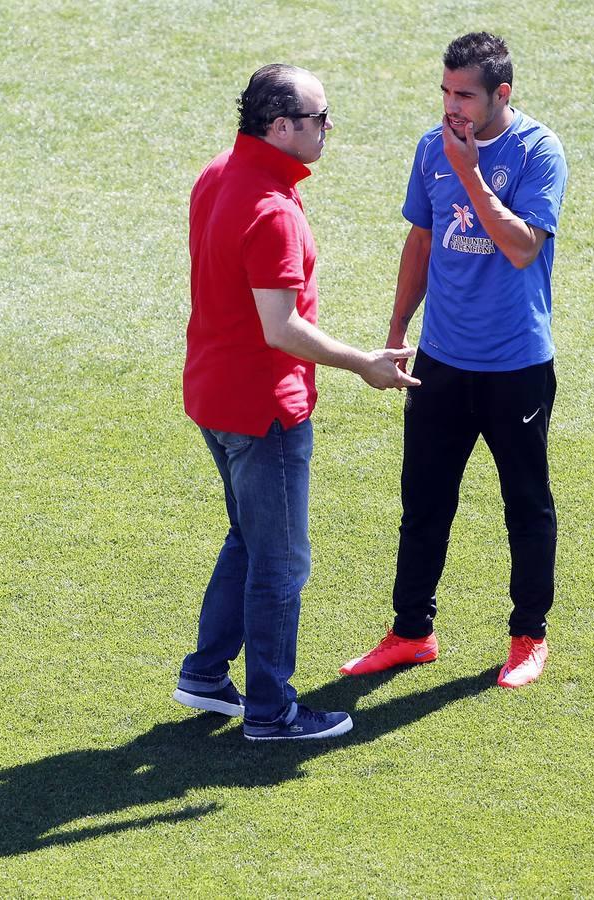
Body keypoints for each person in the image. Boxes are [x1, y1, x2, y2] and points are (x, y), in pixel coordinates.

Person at [176, 64, 420, 740]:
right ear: (279, 126)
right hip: (264, 410)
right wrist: (362, 364)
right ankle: (271, 711)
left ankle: (203, 675)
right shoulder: (272, 210)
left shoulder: (217, 173)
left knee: (248, 540)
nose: (328, 128)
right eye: (318, 118)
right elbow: (279, 327)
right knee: (281, 563)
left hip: (212, 394)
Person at [340, 32, 569, 689]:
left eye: (463, 94)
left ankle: (528, 638)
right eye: (444, 91)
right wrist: (394, 329)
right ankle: (410, 633)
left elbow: (522, 247)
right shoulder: (428, 149)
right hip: (440, 362)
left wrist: (468, 171)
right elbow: (421, 241)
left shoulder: (536, 152)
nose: (451, 106)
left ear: (501, 93)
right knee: (423, 504)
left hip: (515, 366)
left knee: (525, 506)